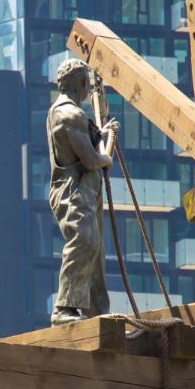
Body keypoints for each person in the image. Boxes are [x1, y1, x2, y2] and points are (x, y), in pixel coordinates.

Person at [47, 58, 120, 326]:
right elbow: (91, 160)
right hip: (73, 190)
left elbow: (86, 145)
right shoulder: (69, 114)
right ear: (78, 83)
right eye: (87, 85)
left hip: (83, 189)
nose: (88, 91)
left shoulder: (67, 113)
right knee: (85, 241)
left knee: (95, 249)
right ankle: (64, 308)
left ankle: (95, 310)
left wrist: (103, 134)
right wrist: (106, 156)